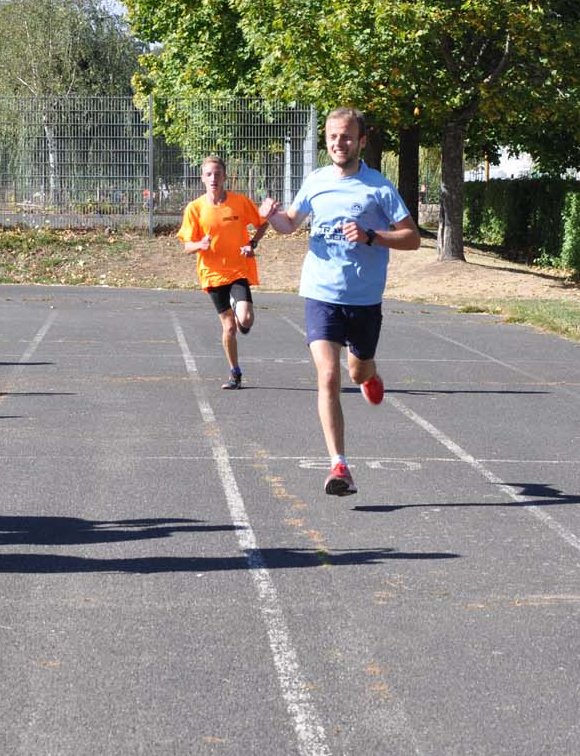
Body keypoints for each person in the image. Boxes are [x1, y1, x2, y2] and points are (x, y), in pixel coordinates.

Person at [262, 107, 419, 496]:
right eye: (332, 136)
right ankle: (339, 466)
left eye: (346, 136)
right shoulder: (315, 181)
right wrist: (271, 217)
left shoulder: (378, 187)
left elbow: (412, 238)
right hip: (321, 293)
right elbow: (290, 225)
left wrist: (372, 237)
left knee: (357, 372)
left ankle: (371, 374)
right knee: (328, 375)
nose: (338, 143)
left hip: (364, 299)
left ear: (361, 141)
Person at [176, 156, 277, 389]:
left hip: (238, 269)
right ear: (202, 178)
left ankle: (243, 319)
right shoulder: (195, 208)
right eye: (209, 174)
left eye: (218, 174)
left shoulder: (239, 202)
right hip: (212, 274)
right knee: (228, 326)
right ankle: (235, 373)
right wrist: (199, 245)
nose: (214, 178)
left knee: (246, 319)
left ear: (225, 177)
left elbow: (263, 222)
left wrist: (252, 243)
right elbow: (186, 246)